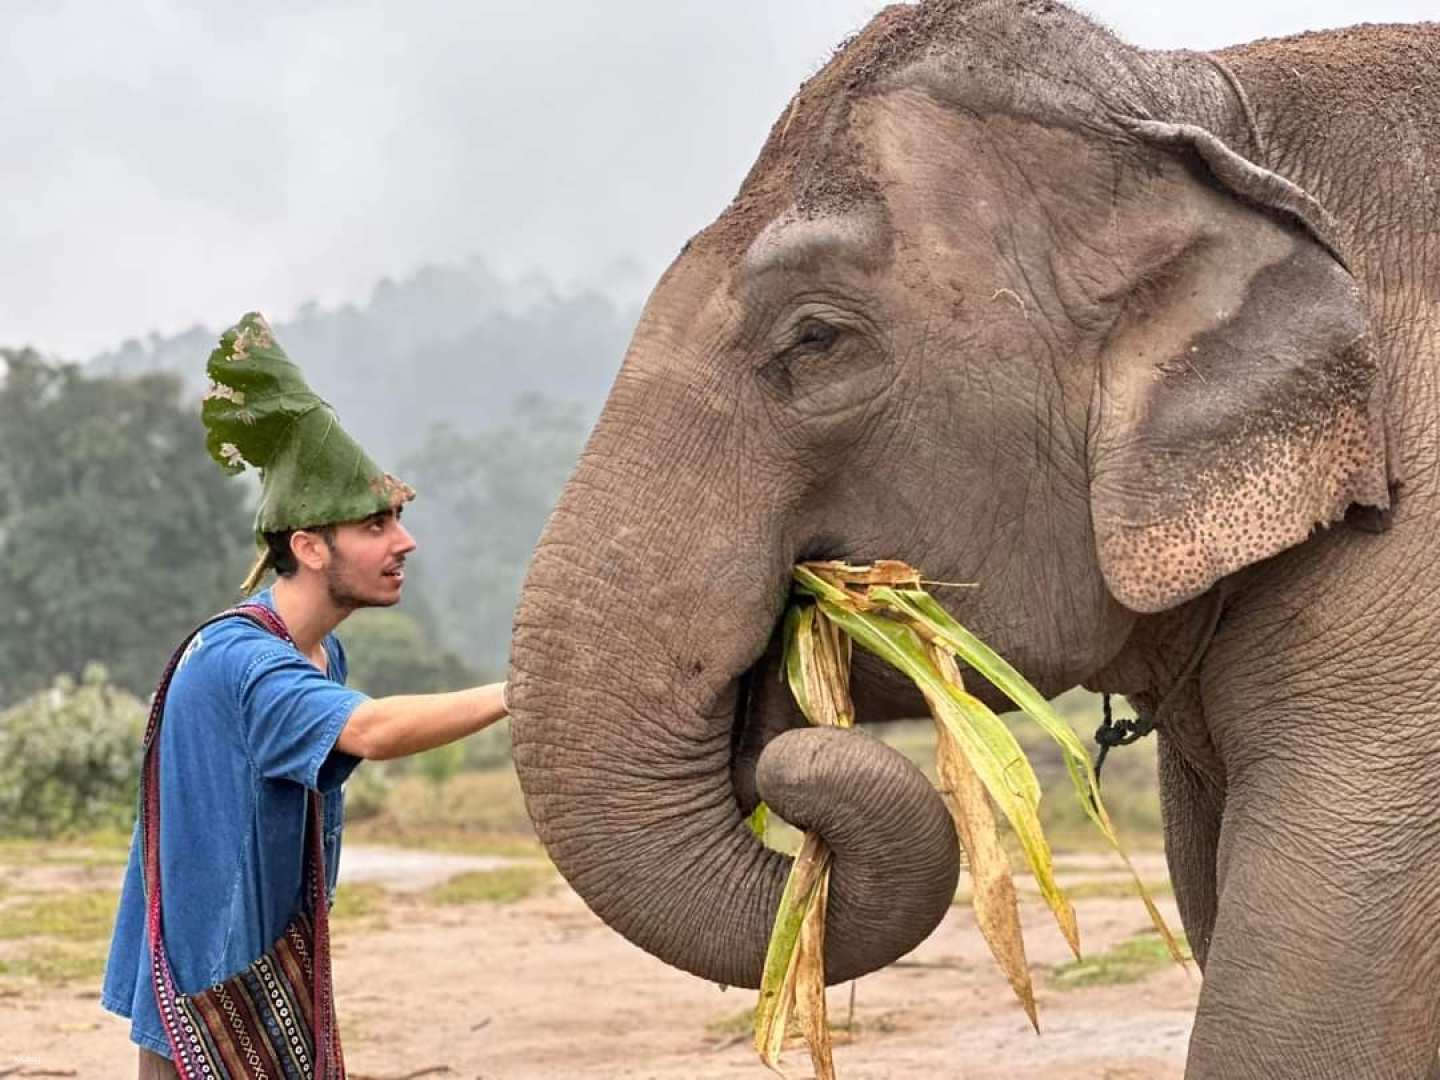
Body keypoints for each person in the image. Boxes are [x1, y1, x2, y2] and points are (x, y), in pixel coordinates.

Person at [101, 313, 509, 1078]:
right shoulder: (244, 662)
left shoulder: (319, 652)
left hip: (259, 990)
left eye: (398, 519)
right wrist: (519, 691)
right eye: (375, 524)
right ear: (309, 546)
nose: (403, 541)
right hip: (212, 1017)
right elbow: (375, 730)